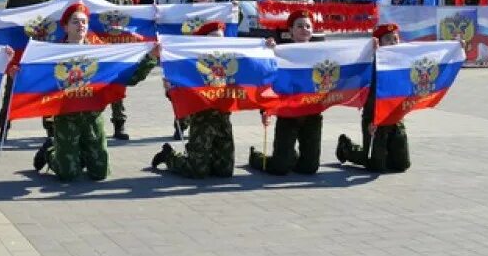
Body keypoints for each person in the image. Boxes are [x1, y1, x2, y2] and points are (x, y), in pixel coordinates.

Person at [32, 3, 158, 181]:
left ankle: (75, 154)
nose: (81, 25)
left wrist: (151, 57)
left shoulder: (101, 53)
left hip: (92, 118)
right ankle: (51, 152)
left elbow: (128, 77)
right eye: (75, 21)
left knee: (100, 174)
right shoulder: (53, 54)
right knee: (68, 175)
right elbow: (33, 78)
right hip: (66, 118)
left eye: (84, 21)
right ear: (65, 26)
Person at [151, 21, 236, 178]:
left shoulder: (231, 60)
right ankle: (169, 155)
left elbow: (255, 68)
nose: (217, 42)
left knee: (225, 172)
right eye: (212, 38)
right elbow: (180, 92)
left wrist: (267, 47)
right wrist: (171, 89)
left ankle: (206, 158)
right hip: (202, 121)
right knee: (197, 171)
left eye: (220, 38)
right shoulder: (192, 64)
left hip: (223, 121)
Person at [249, 10, 322, 176]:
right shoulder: (280, 52)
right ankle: (257, 158)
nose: (304, 29)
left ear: (312, 30)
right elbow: (267, 80)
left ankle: (291, 156)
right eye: (299, 26)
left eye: (308, 26)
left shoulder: (320, 53)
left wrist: (372, 48)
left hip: (311, 113)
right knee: (279, 168)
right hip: (287, 114)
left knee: (309, 168)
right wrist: (265, 110)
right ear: (290, 31)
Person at [336, 23, 411, 173]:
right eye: (388, 39)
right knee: (375, 165)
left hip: (395, 118)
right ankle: (347, 148)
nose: (393, 42)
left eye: (395, 39)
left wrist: (457, 47)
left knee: (402, 164)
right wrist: (373, 120)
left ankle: (386, 152)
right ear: (378, 43)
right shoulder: (370, 64)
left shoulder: (403, 61)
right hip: (374, 118)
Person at [0, 0, 54, 141]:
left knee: (46, 89)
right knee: (10, 89)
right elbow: (7, 23)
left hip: (39, 50)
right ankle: (4, 127)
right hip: (19, 50)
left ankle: (50, 128)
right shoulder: (14, 0)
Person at [96, 0, 137, 141]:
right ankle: (93, 123)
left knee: (118, 87)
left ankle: (119, 125)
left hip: (120, 49)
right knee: (97, 87)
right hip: (101, 48)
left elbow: (136, 20)